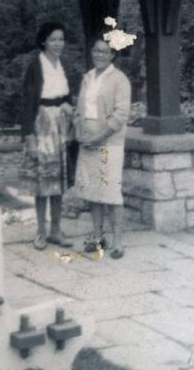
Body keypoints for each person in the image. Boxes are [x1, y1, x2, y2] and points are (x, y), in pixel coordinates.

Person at [74, 38, 132, 259]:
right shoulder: (87, 78)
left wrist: (98, 137)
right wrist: (79, 133)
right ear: (92, 52)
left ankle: (118, 241)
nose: (99, 55)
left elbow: (120, 116)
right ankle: (98, 237)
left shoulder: (119, 80)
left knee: (111, 193)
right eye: (96, 50)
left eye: (104, 52)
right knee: (93, 192)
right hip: (88, 143)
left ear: (113, 55)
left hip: (108, 144)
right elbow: (80, 110)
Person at [20, 21, 75, 250]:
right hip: (41, 126)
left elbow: (67, 96)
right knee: (42, 182)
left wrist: (67, 107)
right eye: (53, 39)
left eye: (61, 39)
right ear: (43, 41)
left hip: (61, 127)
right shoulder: (36, 66)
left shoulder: (64, 65)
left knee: (58, 182)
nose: (58, 44)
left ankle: (56, 230)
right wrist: (29, 136)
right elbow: (27, 102)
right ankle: (41, 232)